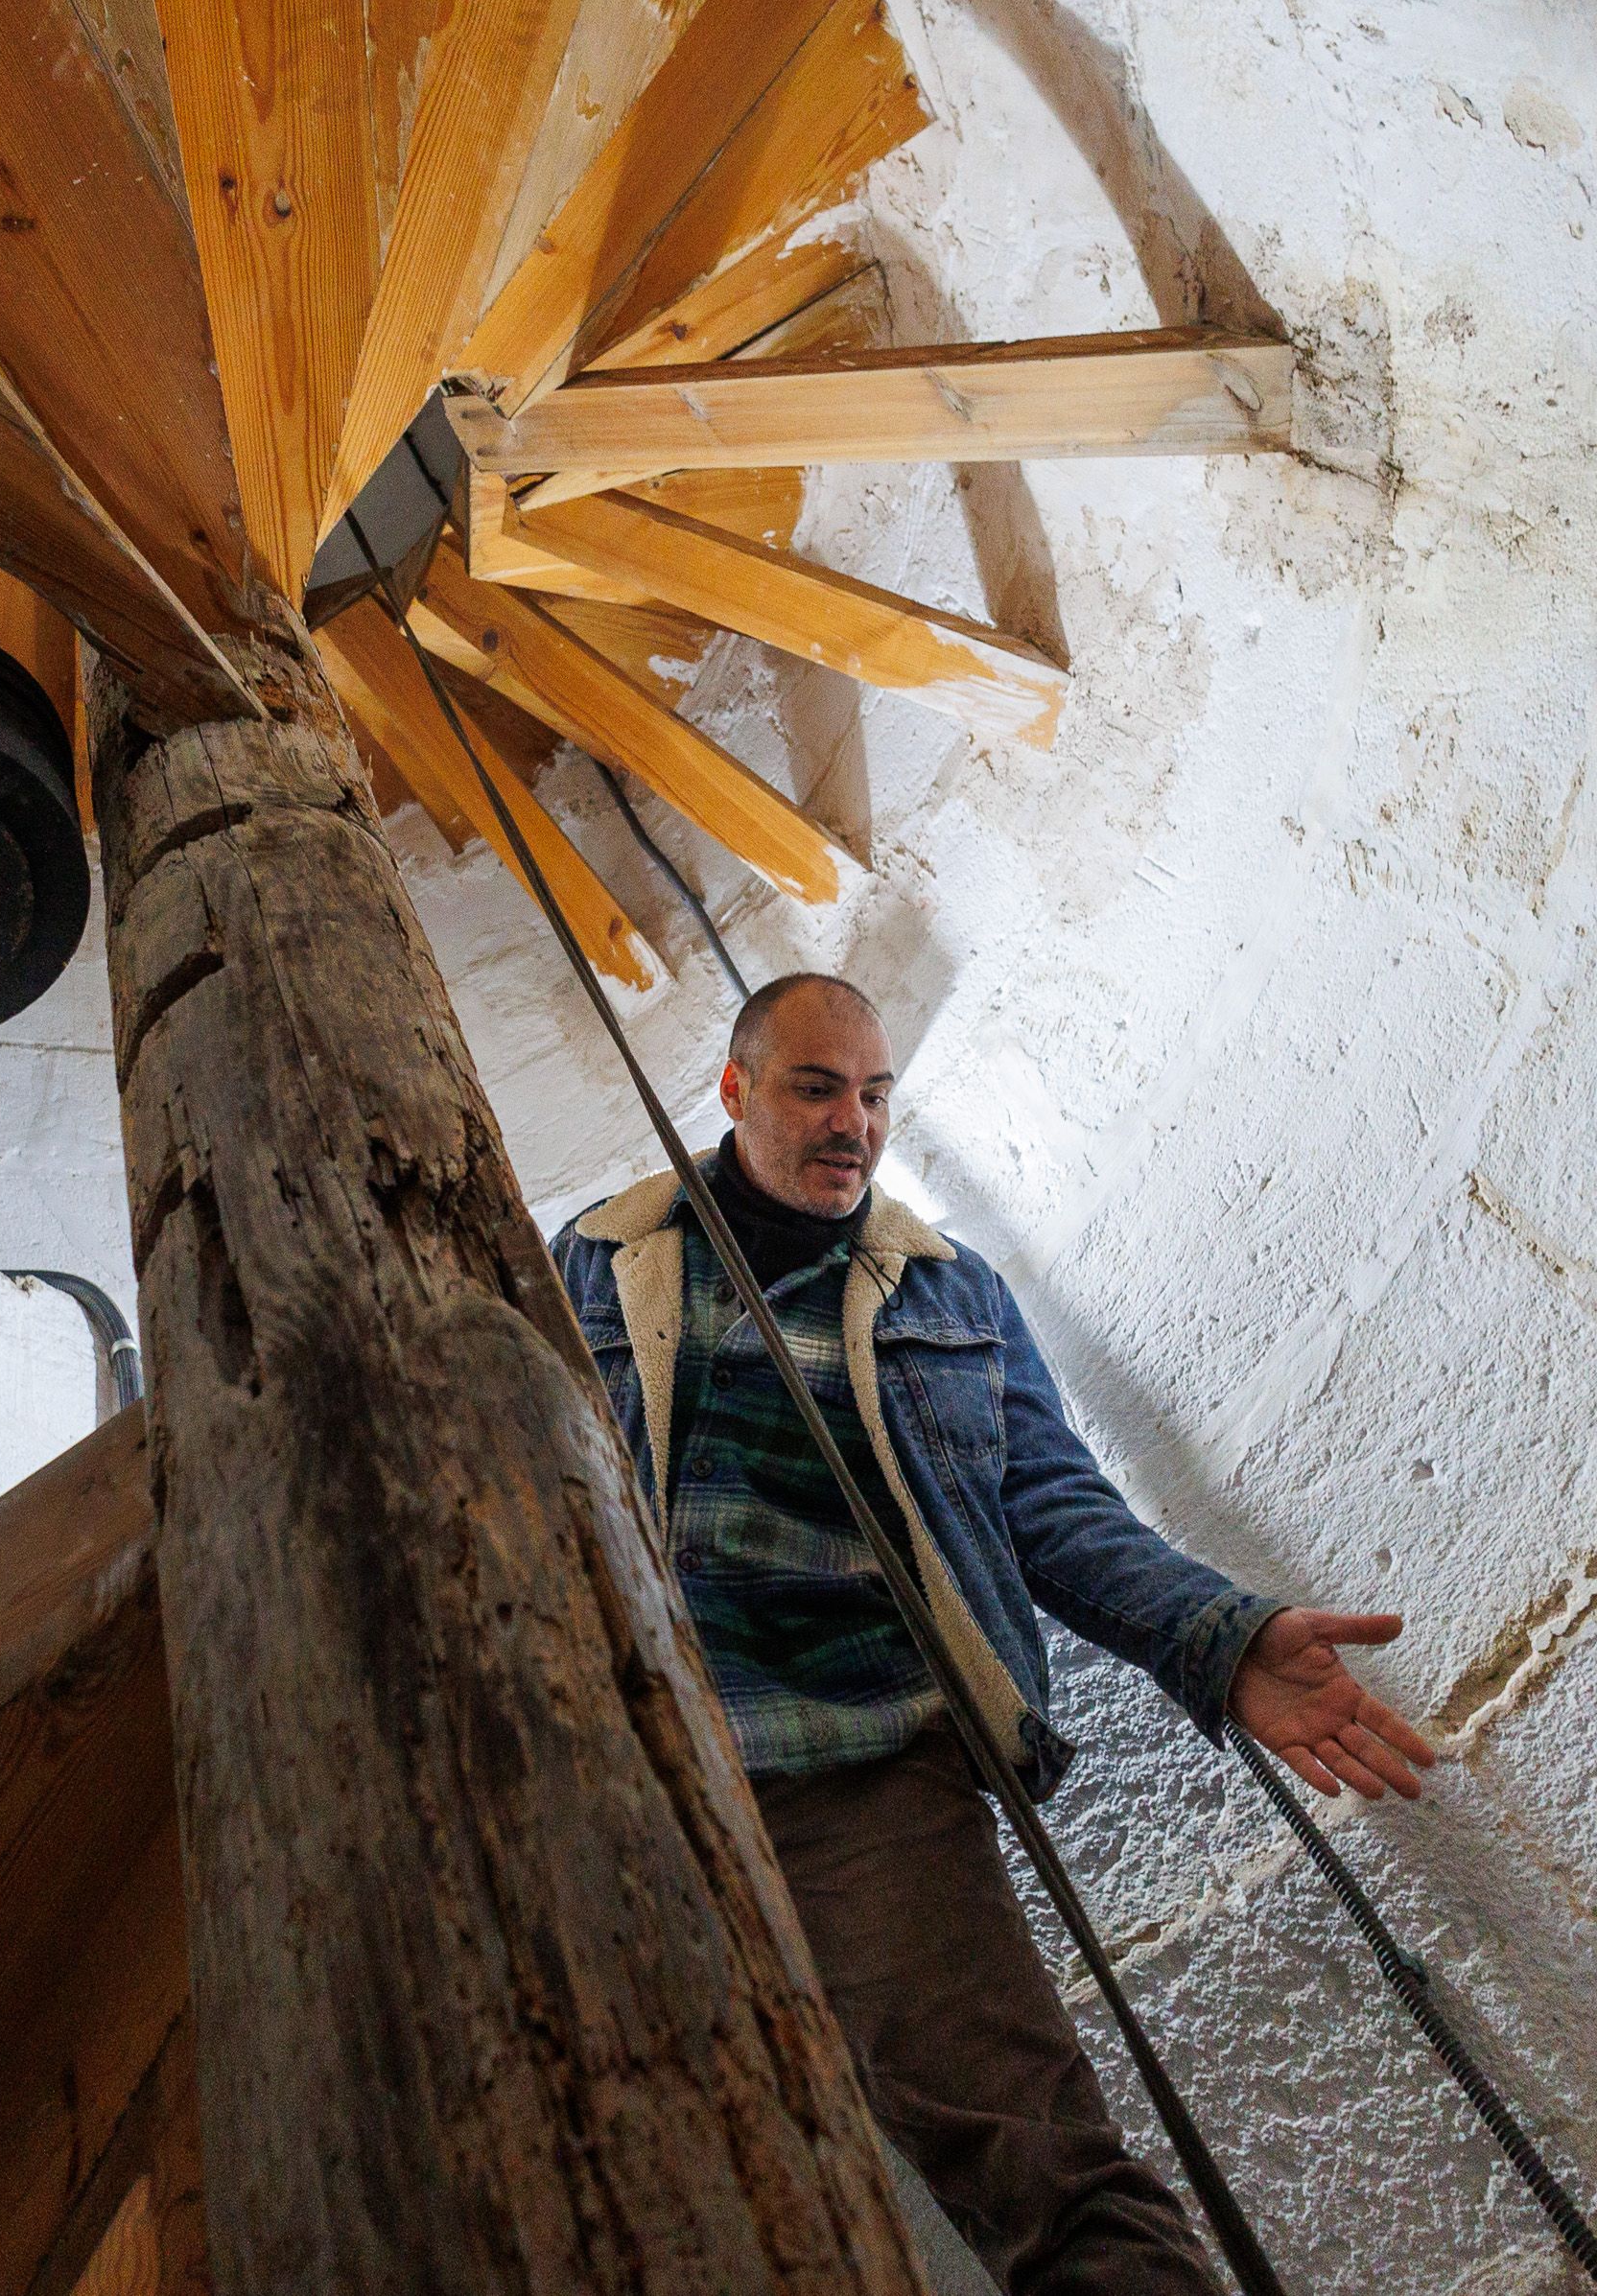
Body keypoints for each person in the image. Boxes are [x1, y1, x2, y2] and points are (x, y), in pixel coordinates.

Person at [550, 971, 1440, 2294]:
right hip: (628, 1780)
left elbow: (1056, 1508)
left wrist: (1220, 1638)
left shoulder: (949, 1294)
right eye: (814, 1086)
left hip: (869, 1774)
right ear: (734, 1091)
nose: (852, 1121)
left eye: (874, 1095)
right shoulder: (591, 1265)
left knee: (1044, 2172)